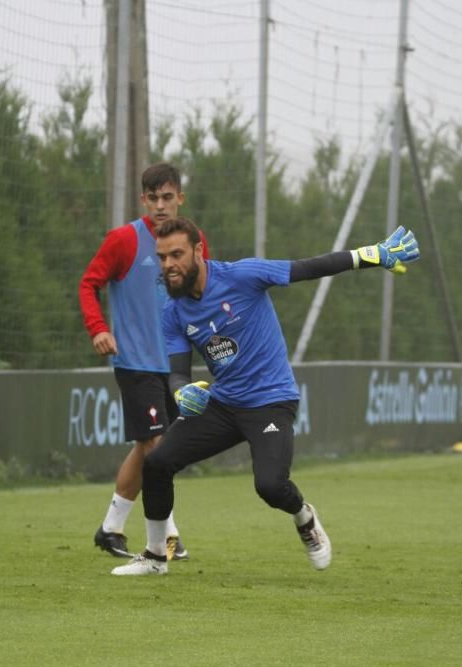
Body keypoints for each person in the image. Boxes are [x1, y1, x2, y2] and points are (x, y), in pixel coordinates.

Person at [111, 217, 420, 575]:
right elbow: (178, 371)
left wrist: (371, 255)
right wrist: (182, 392)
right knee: (157, 463)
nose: (168, 266)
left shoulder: (242, 275)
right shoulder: (173, 310)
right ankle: (155, 557)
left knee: (271, 486)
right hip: (224, 404)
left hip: (271, 400)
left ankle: (304, 517)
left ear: (198, 251)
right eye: (162, 258)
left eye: (176, 255)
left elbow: (309, 268)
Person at [79, 162, 208, 561]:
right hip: (136, 363)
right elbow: (88, 284)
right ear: (143, 200)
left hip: (175, 366)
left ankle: (111, 527)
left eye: (168, 197)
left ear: (180, 199)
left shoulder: (193, 241)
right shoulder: (123, 241)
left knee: (148, 448)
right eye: (153, 198)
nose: (160, 205)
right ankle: (168, 536)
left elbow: (202, 293)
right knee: (157, 447)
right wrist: (99, 327)